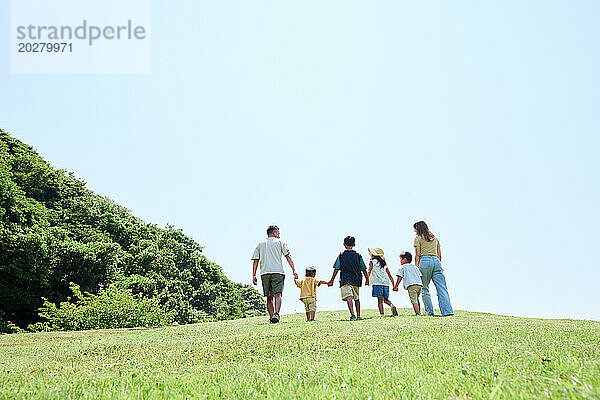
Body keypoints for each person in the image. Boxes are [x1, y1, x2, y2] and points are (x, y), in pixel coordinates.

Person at [251, 225, 298, 323]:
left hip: (264, 272)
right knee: (278, 294)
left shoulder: (260, 244)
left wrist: (254, 275)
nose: (279, 235)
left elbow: (255, 260)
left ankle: (271, 317)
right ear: (273, 233)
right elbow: (288, 256)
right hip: (278, 271)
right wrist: (294, 270)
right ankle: (276, 314)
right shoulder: (281, 243)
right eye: (278, 232)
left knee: (269, 296)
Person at [413, 221, 453, 316]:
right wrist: (436, 264)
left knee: (424, 288)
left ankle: (429, 312)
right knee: (442, 288)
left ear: (418, 228)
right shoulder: (435, 239)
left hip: (424, 261)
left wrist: (416, 268)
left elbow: (417, 255)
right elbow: (439, 255)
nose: (414, 231)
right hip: (436, 261)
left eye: (415, 228)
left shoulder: (418, 238)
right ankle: (447, 312)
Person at [327, 236, 369, 321]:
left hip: (345, 279)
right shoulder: (358, 255)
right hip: (356, 279)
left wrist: (332, 280)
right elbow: (363, 268)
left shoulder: (341, 255)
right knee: (357, 298)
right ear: (354, 244)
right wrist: (367, 279)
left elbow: (336, 268)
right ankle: (359, 315)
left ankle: (352, 314)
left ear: (344, 244)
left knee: (349, 297)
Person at [367, 247, 398, 317]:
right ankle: (392, 305)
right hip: (386, 283)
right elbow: (389, 275)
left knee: (380, 300)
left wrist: (367, 280)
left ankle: (382, 314)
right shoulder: (384, 263)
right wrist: (394, 285)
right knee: (386, 299)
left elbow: (369, 271)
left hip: (377, 283)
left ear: (373, 255)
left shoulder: (372, 262)